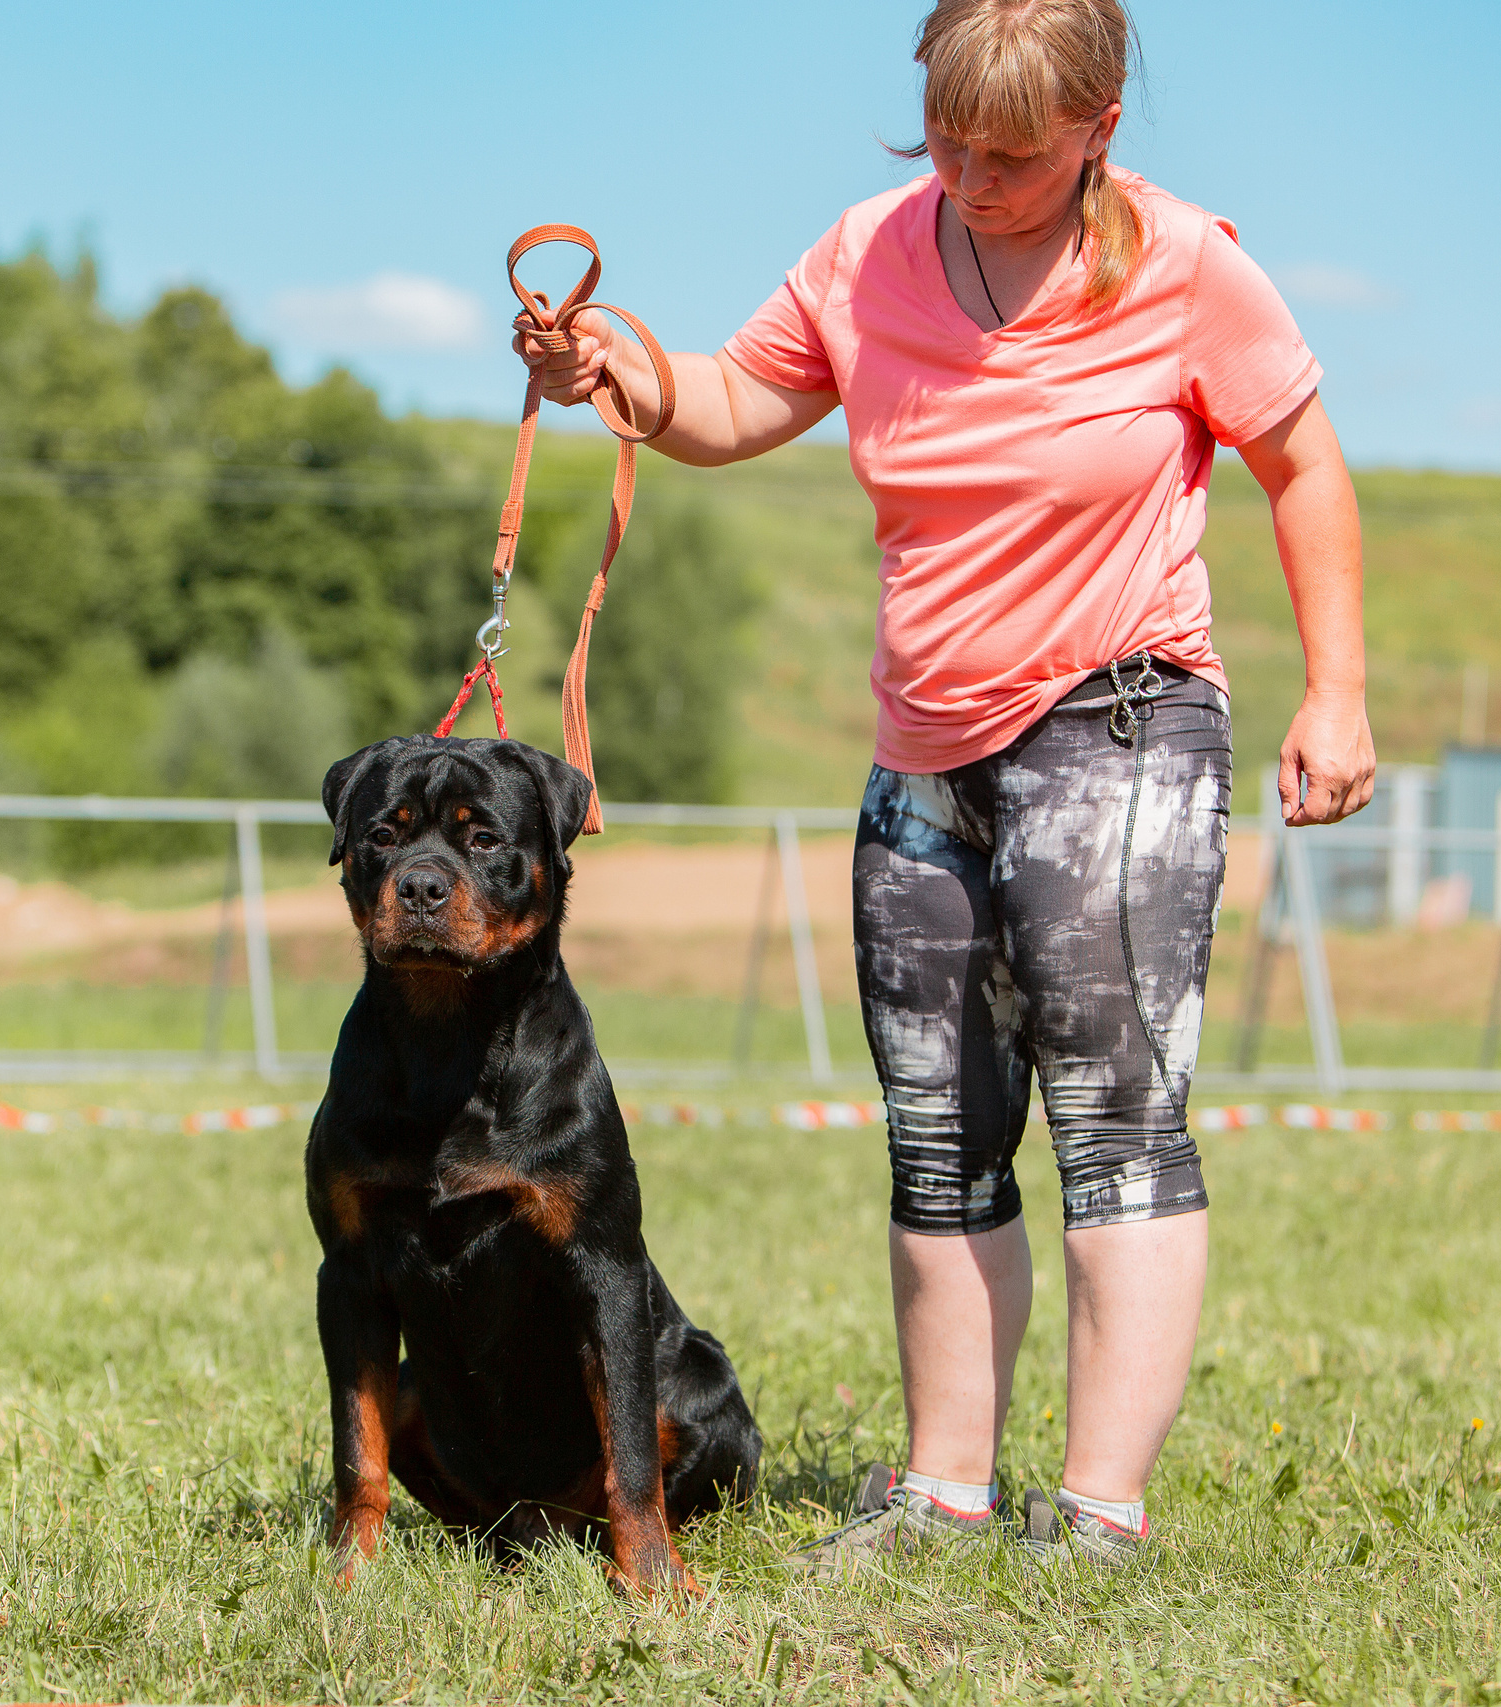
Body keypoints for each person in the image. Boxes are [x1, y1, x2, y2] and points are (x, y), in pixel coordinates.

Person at [516, 0, 1374, 1570]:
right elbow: (730, 405)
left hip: (1120, 721)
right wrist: (611, 369)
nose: (969, 178)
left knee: (1113, 1121)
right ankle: (943, 1494)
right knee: (936, 1131)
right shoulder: (871, 251)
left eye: (1014, 156)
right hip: (923, 753)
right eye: (946, 141)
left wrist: (1339, 691)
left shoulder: (1189, 267)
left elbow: (1302, 462)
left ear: (1101, 129)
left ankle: (1100, 1513)